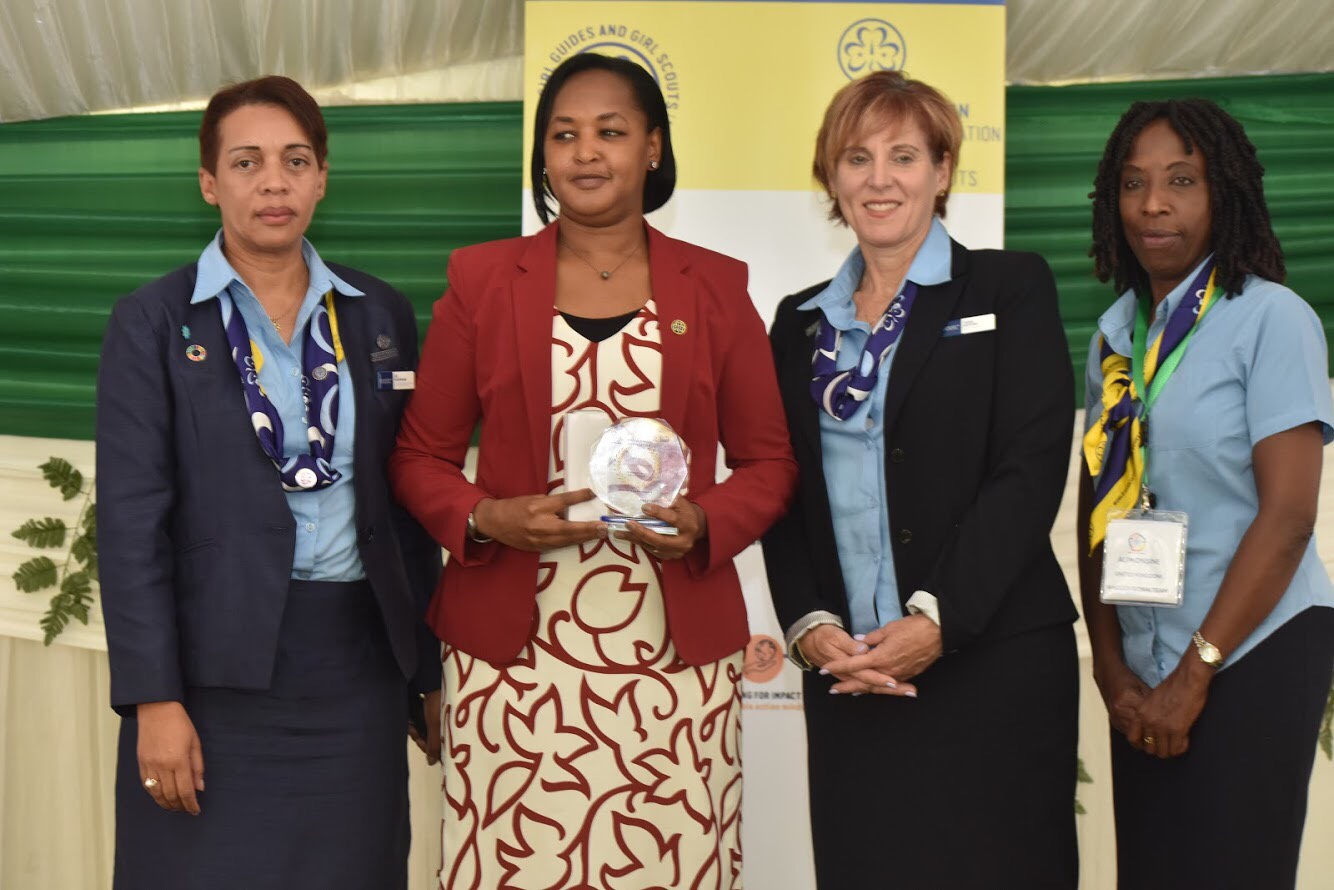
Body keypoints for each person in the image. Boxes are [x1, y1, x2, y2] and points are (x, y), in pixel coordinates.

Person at [389, 52, 796, 888]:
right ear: (541, 154)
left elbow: (768, 461)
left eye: (610, 132)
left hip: (672, 663)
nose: (584, 153)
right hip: (514, 663)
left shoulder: (715, 287)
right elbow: (420, 457)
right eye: (564, 134)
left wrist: (707, 523)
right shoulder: (482, 279)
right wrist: (486, 516)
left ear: (652, 148)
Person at [96, 75, 442, 890]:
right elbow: (131, 520)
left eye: (295, 160)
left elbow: (405, 505)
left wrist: (424, 672)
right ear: (211, 182)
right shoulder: (153, 321)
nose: (274, 182)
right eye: (246, 162)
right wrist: (154, 698)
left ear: (323, 175)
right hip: (212, 681)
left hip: (355, 674)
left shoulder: (379, 314)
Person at [762, 70, 1079, 888]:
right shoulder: (798, 322)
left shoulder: (1011, 288)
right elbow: (783, 485)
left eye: (904, 155)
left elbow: (1030, 464)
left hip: (991, 659)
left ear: (943, 171)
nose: (879, 178)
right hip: (853, 672)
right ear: (830, 178)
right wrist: (808, 626)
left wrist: (937, 620)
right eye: (856, 157)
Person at [1078, 98, 1334, 889]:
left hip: (1250, 656)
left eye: (1181, 181)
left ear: (1223, 193)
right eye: (1133, 183)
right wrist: (1113, 670)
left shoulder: (1272, 319)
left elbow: (1289, 515)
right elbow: (1100, 509)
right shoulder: (1115, 335)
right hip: (1146, 674)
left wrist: (1195, 675)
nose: (1153, 204)